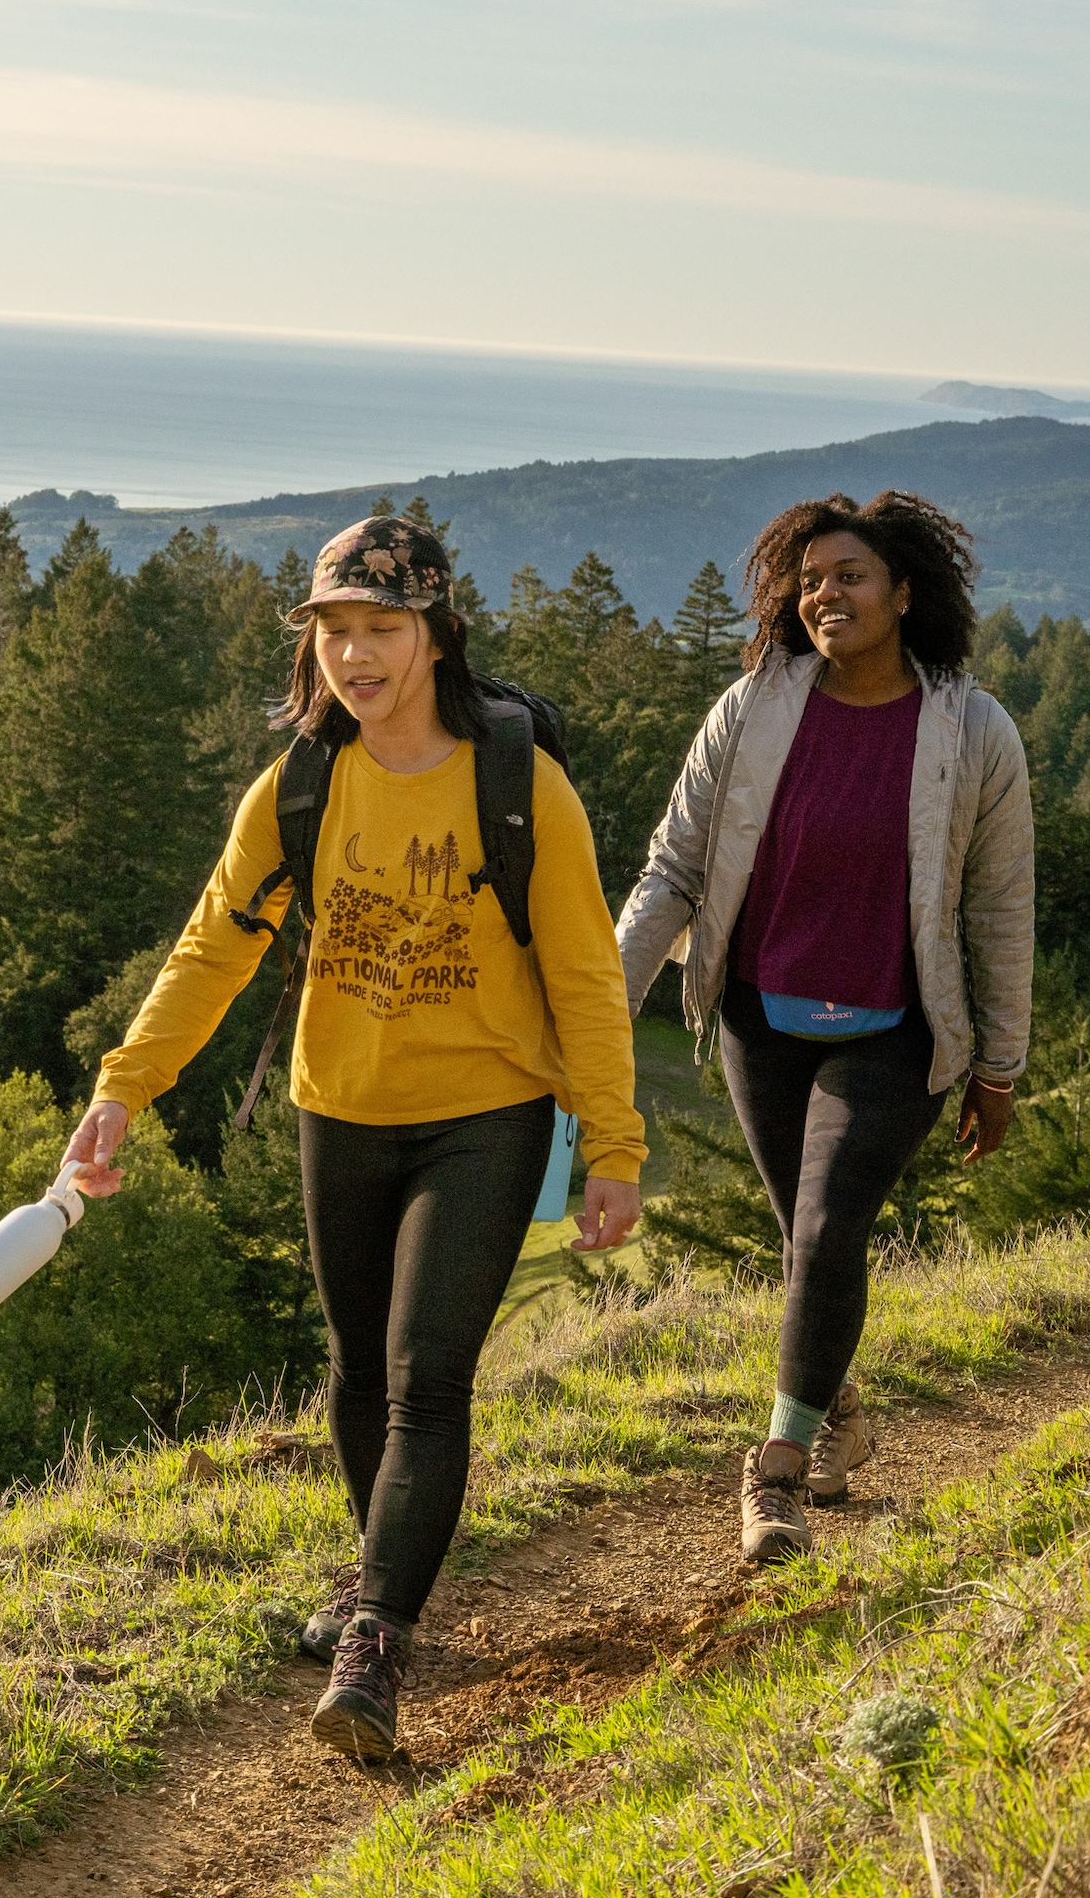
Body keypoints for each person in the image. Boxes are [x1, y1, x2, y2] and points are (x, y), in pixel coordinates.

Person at [67, 515, 646, 1762]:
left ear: (435, 632)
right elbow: (215, 945)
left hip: (486, 1117)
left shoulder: (518, 784)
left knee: (428, 1372)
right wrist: (128, 1085)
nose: (355, 655)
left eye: (381, 628)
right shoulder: (300, 786)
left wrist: (613, 1145)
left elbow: (589, 976)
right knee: (356, 1372)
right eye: (333, 631)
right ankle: (380, 1575)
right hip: (340, 1111)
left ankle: (375, 1636)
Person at [615, 490, 1032, 1567]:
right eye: (808, 581)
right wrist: (598, 1013)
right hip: (761, 1015)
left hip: (896, 1029)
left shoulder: (972, 731)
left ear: (903, 593)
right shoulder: (751, 709)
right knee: (805, 1241)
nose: (825, 595)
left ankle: (773, 1473)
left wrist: (998, 1067)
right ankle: (834, 1405)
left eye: (849, 576)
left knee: (828, 1227)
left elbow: (998, 910)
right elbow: (673, 871)